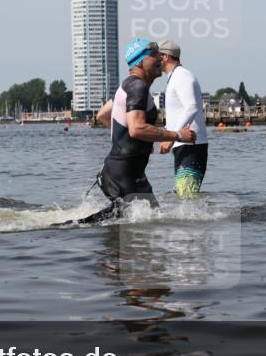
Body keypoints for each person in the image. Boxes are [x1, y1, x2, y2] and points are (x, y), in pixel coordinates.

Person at [80, 39, 195, 224]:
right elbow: (136, 128)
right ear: (139, 62)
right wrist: (177, 135)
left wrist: (138, 142)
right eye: (154, 55)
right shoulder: (137, 87)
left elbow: (103, 115)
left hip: (129, 172)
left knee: (152, 219)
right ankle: (60, 229)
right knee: (134, 224)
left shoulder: (129, 85)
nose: (160, 59)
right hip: (122, 174)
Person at [157, 41, 208, 198]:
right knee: (184, 196)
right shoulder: (175, 77)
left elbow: (191, 107)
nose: (152, 60)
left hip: (192, 144)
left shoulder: (182, 76)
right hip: (183, 144)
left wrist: (172, 137)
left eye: (155, 56)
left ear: (165, 57)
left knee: (187, 197)